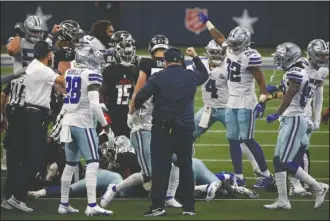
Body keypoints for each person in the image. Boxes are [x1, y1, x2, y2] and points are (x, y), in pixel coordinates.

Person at [101, 35, 182, 208]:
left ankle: (169, 196)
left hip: (158, 123)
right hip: (143, 124)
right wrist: (131, 111)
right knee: (148, 173)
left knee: (178, 158)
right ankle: (114, 188)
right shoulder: (146, 66)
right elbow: (138, 92)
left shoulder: (155, 67)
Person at [198, 12, 274, 188]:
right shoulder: (230, 48)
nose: (232, 46)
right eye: (231, 43)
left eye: (235, 43)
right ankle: (239, 176)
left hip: (246, 101)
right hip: (231, 101)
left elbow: (261, 79)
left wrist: (262, 101)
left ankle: (266, 175)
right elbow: (219, 37)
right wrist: (208, 22)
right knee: (233, 139)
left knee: (248, 139)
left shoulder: (250, 55)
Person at [132, 47, 208, 216]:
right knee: (186, 166)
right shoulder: (190, 75)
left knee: (160, 168)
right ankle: (188, 207)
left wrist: (137, 108)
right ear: (181, 60)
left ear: (165, 62)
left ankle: (158, 206)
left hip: (162, 128)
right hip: (185, 128)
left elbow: (140, 98)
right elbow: (204, 74)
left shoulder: (158, 77)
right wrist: (195, 57)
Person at [264, 42, 328, 210]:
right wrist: (276, 90)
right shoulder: (298, 70)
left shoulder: (296, 71)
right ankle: (283, 200)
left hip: (294, 118)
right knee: (278, 161)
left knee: (285, 161)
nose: (279, 60)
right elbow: (289, 91)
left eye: (281, 57)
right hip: (291, 118)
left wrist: (277, 113)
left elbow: (290, 94)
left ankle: (318, 187)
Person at [6, 40, 65, 212]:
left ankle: (9, 196)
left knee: (22, 158)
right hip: (35, 116)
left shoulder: (32, 66)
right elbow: (61, 80)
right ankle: (17, 197)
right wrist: (78, 75)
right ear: (48, 54)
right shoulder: (43, 69)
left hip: (26, 114)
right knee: (35, 160)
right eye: (51, 53)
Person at [58, 43, 112, 216]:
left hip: (68, 120)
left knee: (70, 165)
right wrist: (105, 123)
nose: (98, 60)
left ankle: (63, 203)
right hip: (83, 122)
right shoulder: (91, 74)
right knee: (93, 162)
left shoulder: (70, 71)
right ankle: (91, 205)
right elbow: (94, 105)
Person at [100, 32, 138, 137]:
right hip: (112, 108)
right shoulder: (109, 70)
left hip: (126, 109)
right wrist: (102, 107)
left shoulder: (133, 69)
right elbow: (101, 91)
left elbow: (135, 91)